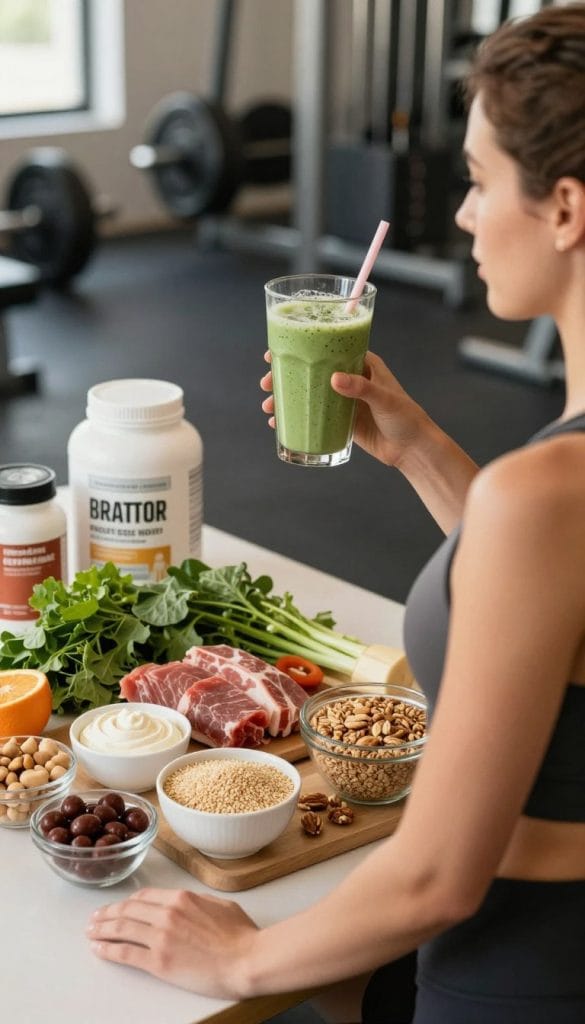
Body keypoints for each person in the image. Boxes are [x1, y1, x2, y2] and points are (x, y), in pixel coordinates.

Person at [85, 5, 585, 1021]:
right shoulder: (543, 501)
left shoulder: (542, 500)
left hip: (519, 974)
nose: (462, 217)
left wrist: (240, 964)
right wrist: (419, 450)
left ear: (566, 207)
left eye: (481, 183)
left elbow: (438, 877)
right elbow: (554, 602)